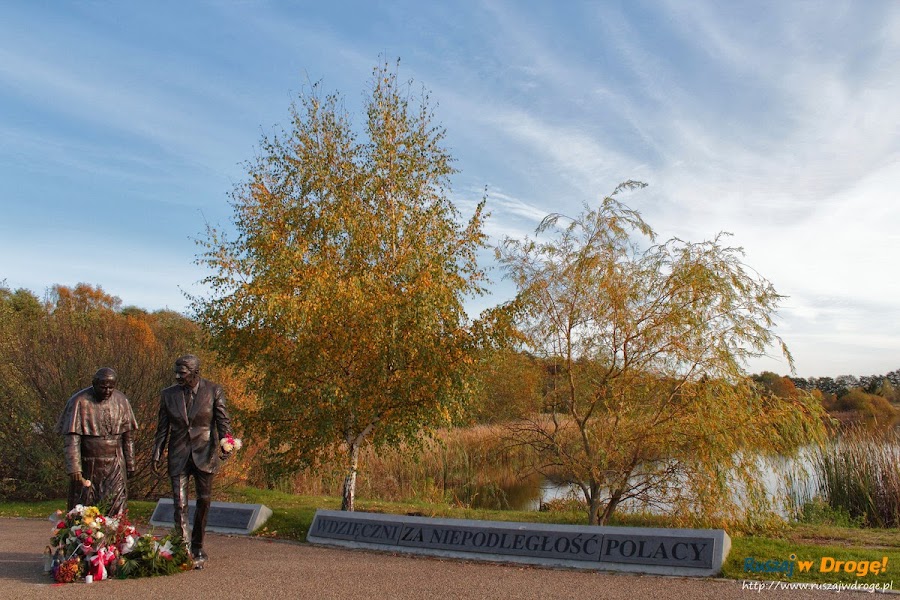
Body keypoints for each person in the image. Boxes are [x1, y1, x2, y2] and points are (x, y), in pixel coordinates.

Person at [152, 354, 232, 568]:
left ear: (195, 373)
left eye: (183, 373)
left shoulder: (213, 390)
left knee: (204, 502)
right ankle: (184, 548)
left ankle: (198, 545)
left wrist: (227, 443)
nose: (178, 376)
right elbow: (162, 427)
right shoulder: (168, 394)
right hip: (178, 453)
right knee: (180, 504)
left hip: (204, 453)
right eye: (176, 372)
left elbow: (223, 421)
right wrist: (157, 450)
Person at [55, 367, 138, 516]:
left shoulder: (122, 401)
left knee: (116, 506)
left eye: (111, 387)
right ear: (94, 383)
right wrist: (74, 467)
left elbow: (128, 437)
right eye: (103, 387)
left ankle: (116, 538)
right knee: (85, 508)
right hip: (89, 464)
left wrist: (130, 463)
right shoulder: (79, 401)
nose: (107, 391)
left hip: (115, 463)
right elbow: (72, 439)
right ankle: (85, 539)